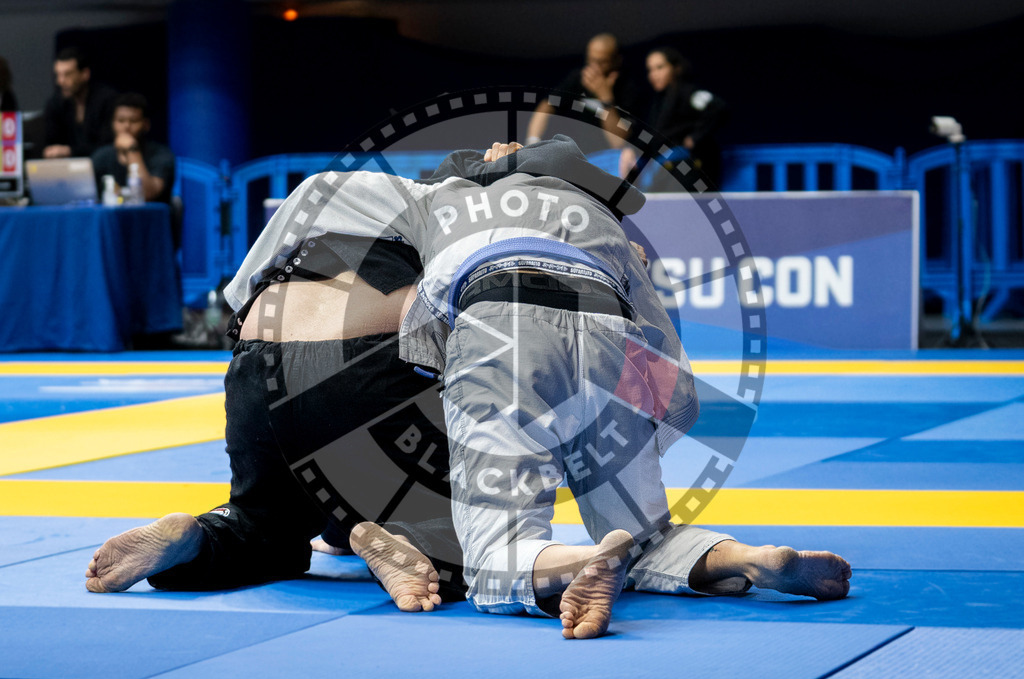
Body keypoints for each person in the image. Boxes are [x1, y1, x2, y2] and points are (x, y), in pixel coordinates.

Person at [85, 140, 851, 640]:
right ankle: (736, 555)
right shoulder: (604, 227)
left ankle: (225, 538)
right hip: (539, 351)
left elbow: (318, 197)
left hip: (273, 364)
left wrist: (238, 310)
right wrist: (616, 422)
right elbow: (674, 387)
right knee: (599, 524)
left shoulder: (420, 200)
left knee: (289, 524)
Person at [622, 47, 728, 190]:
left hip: (689, 171)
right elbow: (654, 137)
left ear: (676, 68)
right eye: (650, 70)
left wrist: (695, 137)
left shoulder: (689, 93)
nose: (654, 74)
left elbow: (718, 107)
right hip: (666, 170)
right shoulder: (659, 102)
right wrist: (632, 150)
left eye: (660, 67)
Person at [526, 33, 640, 150]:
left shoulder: (628, 87)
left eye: (602, 62)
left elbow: (618, 143)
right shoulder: (577, 79)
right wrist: (532, 141)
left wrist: (605, 98)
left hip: (608, 158)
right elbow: (546, 106)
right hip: (576, 153)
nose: (595, 67)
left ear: (616, 61)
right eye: (591, 60)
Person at [91, 93, 176, 204]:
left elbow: (147, 194)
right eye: (121, 121)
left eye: (133, 121)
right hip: (110, 219)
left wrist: (132, 149)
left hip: (150, 219)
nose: (126, 126)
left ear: (146, 124)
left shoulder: (161, 155)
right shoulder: (101, 156)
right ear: (112, 124)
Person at [42, 47, 117, 159]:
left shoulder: (106, 100)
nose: (60, 81)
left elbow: (107, 145)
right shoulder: (55, 104)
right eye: (58, 75)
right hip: (67, 169)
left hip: (101, 165)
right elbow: (50, 142)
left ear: (85, 74)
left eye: (67, 74)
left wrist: (70, 151)